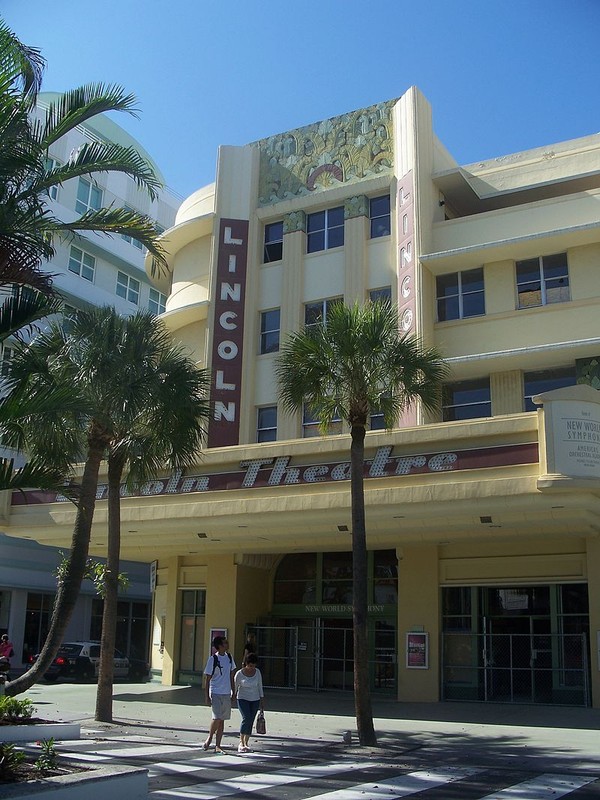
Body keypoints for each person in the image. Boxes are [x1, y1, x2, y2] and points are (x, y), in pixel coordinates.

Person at [203, 636, 236, 753]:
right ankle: (210, 737)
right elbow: (207, 678)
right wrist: (207, 696)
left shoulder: (230, 658)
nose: (227, 644)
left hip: (226, 692)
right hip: (216, 692)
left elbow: (232, 676)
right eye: (225, 643)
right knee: (216, 717)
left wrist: (234, 691)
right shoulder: (213, 659)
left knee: (222, 719)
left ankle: (218, 745)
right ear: (219, 646)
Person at [234, 652, 264, 753]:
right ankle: (241, 742)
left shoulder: (257, 672)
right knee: (246, 718)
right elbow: (235, 687)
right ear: (246, 664)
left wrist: (262, 700)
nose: (252, 668)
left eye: (254, 666)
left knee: (251, 720)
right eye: (250, 665)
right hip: (242, 698)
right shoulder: (239, 674)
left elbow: (260, 687)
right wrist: (232, 696)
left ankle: (246, 742)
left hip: (255, 699)